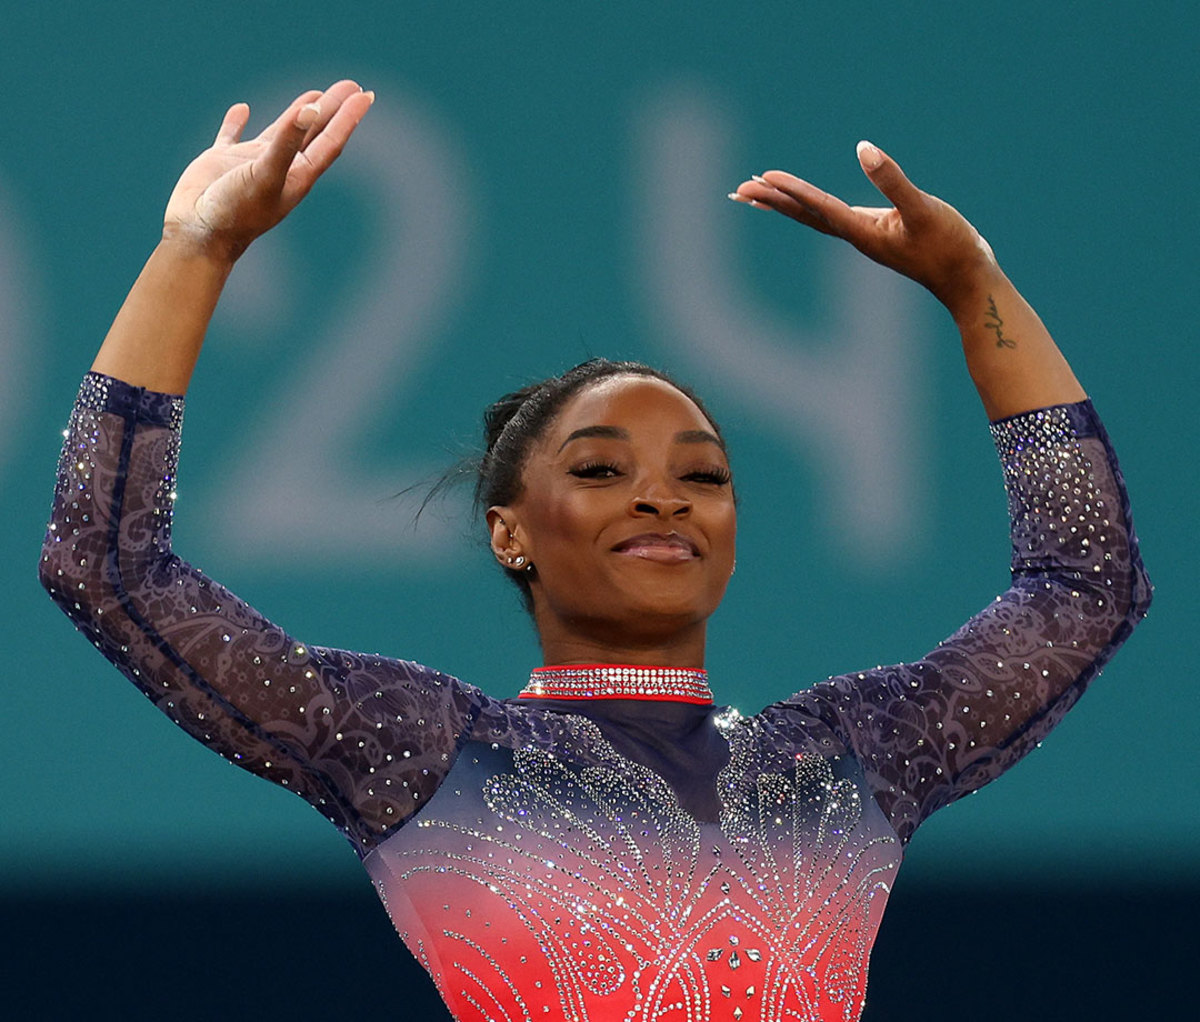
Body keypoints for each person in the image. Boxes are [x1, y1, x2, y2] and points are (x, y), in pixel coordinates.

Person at [40, 79, 1151, 1022]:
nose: (664, 497)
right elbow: (111, 568)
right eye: (602, 468)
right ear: (508, 531)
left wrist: (978, 291)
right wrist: (193, 250)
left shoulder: (850, 755)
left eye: (703, 475)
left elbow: (1087, 581)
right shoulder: (426, 749)